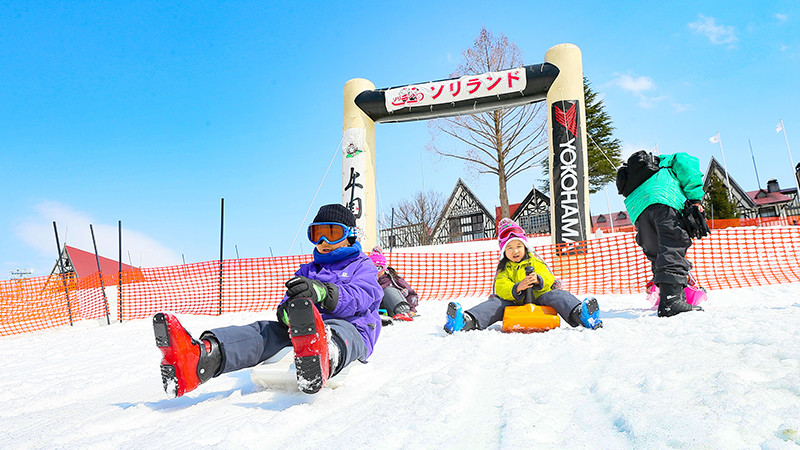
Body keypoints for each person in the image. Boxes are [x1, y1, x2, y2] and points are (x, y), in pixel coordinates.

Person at [153, 204, 382, 397]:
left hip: (353, 329)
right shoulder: (307, 270)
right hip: (306, 331)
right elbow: (285, 306)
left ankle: (323, 357)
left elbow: (363, 296)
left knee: (341, 329)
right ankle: (202, 357)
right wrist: (289, 312)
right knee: (266, 331)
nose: (322, 241)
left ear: (350, 235)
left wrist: (322, 293)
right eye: (316, 234)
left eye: (332, 233)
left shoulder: (362, 265)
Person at [444, 218, 602, 333]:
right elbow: (500, 286)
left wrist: (538, 279)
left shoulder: (535, 260)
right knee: (494, 305)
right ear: (504, 252)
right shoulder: (504, 268)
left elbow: (548, 276)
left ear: (525, 247)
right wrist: (516, 287)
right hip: (514, 302)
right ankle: (465, 321)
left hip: (539, 299)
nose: (515, 251)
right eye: (510, 248)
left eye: (519, 246)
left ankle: (581, 315)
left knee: (558, 296)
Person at [620, 150, 707, 317]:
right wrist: (695, 199)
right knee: (672, 246)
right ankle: (671, 301)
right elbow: (688, 168)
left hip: (637, 210)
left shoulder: (636, 175)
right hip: (664, 200)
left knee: (657, 252)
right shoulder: (670, 160)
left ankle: (673, 295)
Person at [369, 246, 418, 321]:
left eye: (379, 268)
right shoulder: (366, 279)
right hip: (375, 310)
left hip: (393, 308)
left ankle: (403, 312)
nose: (376, 272)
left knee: (388, 290)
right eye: (372, 268)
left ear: (384, 268)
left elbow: (412, 294)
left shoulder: (393, 279)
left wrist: (411, 309)